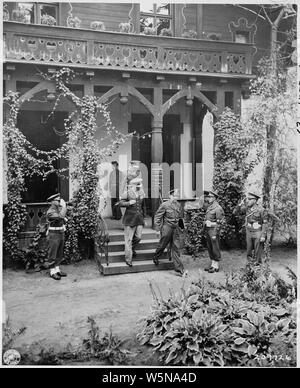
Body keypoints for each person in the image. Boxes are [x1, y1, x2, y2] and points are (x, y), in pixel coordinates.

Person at [152, 189, 187, 277]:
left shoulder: (179, 205)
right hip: (167, 227)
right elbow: (157, 217)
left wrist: (182, 228)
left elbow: (180, 217)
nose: (176, 198)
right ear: (170, 196)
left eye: (177, 196)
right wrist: (157, 229)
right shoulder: (164, 205)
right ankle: (156, 256)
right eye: (174, 196)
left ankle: (180, 269)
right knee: (162, 244)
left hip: (176, 229)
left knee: (176, 247)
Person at [233, 192, 268, 264]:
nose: (247, 201)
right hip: (249, 231)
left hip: (257, 231)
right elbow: (235, 213)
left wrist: (263, 235)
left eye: (249, 199)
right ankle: (249, 265)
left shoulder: (261, 210)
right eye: (247, 199)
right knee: (249, 249)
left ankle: (257, 265)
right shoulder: (246, 208)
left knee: (257, 250)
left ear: (255, 200)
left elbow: (265, 223)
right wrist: (239, 205)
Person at [119, 177, 146, 266]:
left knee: (138, 237)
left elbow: (143, 207)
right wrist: (128, 203)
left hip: (139, 219)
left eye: (139, 184)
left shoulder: (142, 193)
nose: (139, 186)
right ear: (132, 185)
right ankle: (128, 259)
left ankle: (131, 248)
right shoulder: (127, 193)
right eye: (137, 184)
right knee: (129, 240)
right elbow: (120, 203)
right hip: (129, 220)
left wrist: (144, 218)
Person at [46, 193, 68, 280]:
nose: (60, 201)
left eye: (59, 200)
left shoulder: (59, 210)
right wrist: (64, 206)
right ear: (52, 202)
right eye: (58, 200)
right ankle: (52, 271)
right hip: (53, 234)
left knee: (59, 252)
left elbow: (63, 218)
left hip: (60, 232)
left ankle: (57, 269)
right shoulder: (50, 212)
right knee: (53, 253)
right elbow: (61, 216)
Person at [202, 190, 224, 273]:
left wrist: (216, 232)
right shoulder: (210, 207)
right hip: (208, 230)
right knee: (210, 247)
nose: (208, 198)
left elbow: (220, 222)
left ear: (214, 198)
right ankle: (212, 265)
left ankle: (216, 266)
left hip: (214, 230)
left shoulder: (218, 208)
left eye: (210, 197)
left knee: (215, 247)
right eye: (208, 196)